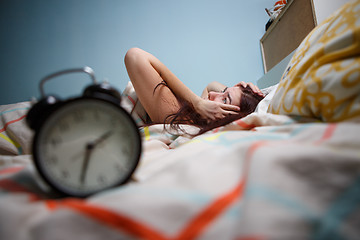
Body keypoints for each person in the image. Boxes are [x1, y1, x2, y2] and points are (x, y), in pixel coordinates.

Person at [124, 47, 264, 134]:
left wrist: (197, 102)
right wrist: (236, 91)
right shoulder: (198, 114)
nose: (212, 94)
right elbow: (211, 85)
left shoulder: (181, 119)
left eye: (224, 99)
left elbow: (134, 56)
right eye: (223, 94)